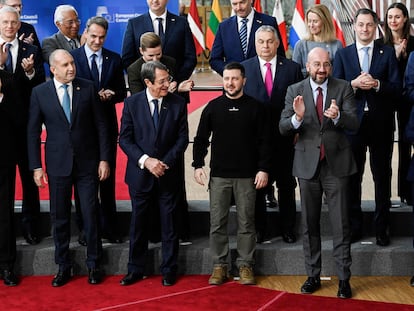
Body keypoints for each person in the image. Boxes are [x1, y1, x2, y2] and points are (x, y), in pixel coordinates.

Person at [27, 49, 111, 287]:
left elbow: (101, 126)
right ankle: (63, 265)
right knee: (60, 217)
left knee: (90, 214)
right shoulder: (39, 93)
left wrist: (104, 159)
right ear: (53, 68)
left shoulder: (87, 87)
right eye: (65, 65)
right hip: (57, 165)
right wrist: (36, 167)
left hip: (87, 164)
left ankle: (95, 264)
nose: (71, 68)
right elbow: (33, 133)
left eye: (72, 63)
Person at [279, 47, 358, 299]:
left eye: (326, 64)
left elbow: (355, 123)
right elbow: (282, 127)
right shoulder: (295, 90)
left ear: (331, 66)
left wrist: (338, 118)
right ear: (307, 65)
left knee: (341, 224)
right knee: (309, 224)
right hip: (307, 166)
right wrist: (297, 119)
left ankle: (344, 279)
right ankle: (313, 275)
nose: (321, 69)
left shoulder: (343, 87)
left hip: (337, 165)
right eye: (316, 64)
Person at [192, 62, 270, 286]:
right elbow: (200, 139)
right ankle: (219, 266)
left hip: (248, 176)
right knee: (217, 222)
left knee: (247, 223)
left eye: (235, 79)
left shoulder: (256, 108)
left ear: (244, 80)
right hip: (219, 177)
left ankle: (245, 265)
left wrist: (263, 168)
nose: (230, 83)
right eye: (227, 78)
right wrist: (198, 165)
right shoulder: (213, 107)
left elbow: (266, 142)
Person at [333, 8, 402, 246]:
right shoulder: (343, 55)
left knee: (382, 177)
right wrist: (353, 84)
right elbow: (336, 90)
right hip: (352, 126)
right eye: (361, 25)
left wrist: (377, 84)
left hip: (381, 125)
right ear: (354, 26)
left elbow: (396, 88)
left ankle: (382, 228)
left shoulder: (388, 52)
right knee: (353, 177)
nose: (365, 29)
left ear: (376, 27)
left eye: (369, 25)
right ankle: (354, 227)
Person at [119, 61, 189, 287]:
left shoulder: (178, 103)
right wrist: (146, 161)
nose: (167, 85)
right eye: (162, 82)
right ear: (147, 82)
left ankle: (169, 270)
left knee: (169, 225)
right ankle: (135, 269)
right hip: (140, 175)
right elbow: (125, 139)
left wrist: (163, 163)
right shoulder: (132, 103)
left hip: (168, 175)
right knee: (138, 224)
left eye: (168, 79)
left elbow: (181, 139)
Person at [242, 25, 302, 243]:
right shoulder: (244, 68)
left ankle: (288, 228)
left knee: (287, 185)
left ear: (277, 43)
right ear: (255, 44)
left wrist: (298, 130)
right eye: (261, 41)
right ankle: (260, 229)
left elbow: (300, 103)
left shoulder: (292, 68)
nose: (265, 45)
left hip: (284, 137)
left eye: (270, 41)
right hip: (255, 141)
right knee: (258, 186)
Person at [70, 16, 126, 244]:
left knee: (107, 181)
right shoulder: (72, 59)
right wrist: (93, 96)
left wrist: (112, 94)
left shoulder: (114, 59)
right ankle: (85, 231)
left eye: (101, 37)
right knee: (83, 182)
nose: (97, 41)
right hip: (82, 129)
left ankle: (110, 229)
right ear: (86, 33)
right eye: (93, 36)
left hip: (107, 128)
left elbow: (122, 92)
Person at [41, 4, 86, 246]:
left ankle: (87, 239)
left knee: (86, 203)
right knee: (59, 208)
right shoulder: (50, 43)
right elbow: (62, 63)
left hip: (82, 110)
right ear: (59, 24)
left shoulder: (83, 39)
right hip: (59, 124)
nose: (75, 25)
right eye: (70, 22)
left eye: (77, 20)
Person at [0, 6, 45, 245]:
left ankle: (31, 227)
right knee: (4, 185)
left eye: (13, 22)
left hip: (26, 128)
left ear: (19, 25)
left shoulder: (32, 50)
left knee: (30, 180)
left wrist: (29, 73)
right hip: (1, 131)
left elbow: (38, 86)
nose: (9, 26)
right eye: (5, 22)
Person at [379, 2, 414, 207]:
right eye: (390, 17)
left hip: (407, 100)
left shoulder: (413, 44)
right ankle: (386, 194)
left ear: (405, 19)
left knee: (405, 145)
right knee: (385, 146)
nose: (393, 20)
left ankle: (406, 191)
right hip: (384, 99)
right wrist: (395, 56)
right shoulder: (379, 44)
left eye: (397, 17)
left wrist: (403, 56)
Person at [121, 0, 196, 89]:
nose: (155, 1)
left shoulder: (181, 23)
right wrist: (147, 83)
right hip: (144, 91)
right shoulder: (134, 24)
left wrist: (176, 82)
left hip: (176, 90)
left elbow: (190, 57)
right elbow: (127, 59)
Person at [209, 0, 285, 77]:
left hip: (263, 81)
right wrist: (230, 73)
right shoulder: (224, 26)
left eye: (242, 3)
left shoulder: (269, 22)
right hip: (234, 84)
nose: (238, 8)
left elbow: (280, 55)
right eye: (234, 4)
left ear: (251, 1)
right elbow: (215, 60)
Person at [0, 67, 21, 286]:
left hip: (4, 161)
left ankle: (6, 265)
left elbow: (19, 120)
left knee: (4, 215)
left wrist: (1, 98)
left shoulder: (8, 82)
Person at [127, 32, 193, 95]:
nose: (155, 59)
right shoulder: (134, 70)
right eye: (151, 56)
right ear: (141, 51)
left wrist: (180, 86)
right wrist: (166, 90)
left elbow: (176, 84)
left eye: (158, 54)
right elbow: (138, 96)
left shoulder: (170, 62)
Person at [292, 4, 343, 78]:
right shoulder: (301, 45)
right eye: (309, 21)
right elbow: (295, 73)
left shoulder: (336, 45)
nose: (311, 25)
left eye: (315, 21)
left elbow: (339, 73)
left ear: (325, 22)